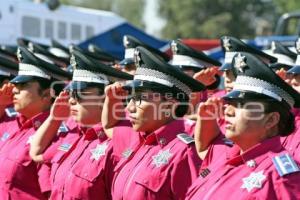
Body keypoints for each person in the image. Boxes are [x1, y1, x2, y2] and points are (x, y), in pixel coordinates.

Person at [186, 52, 300, 199]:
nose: (228, 111)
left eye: (240, 105)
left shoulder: (282, 177)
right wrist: (206, 117)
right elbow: (204, 146)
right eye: (229, 103)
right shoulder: (227, 155)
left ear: (271, 120)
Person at [102, 46, 205, 199]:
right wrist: (111, 101)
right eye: (131, 98)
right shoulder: (137, 139)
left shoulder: (185, 153)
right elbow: (109, 126)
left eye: (139, 99)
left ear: (168, 105)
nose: (129, 107)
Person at [29, 49, 133, 200]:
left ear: (104, 98)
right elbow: (36, 153)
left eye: (78, 94)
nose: (71, 100)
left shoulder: (118, 142)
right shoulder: (78, 135)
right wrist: (54, 117)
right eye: (71, 94)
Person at [0, 46, 71, 199]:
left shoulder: (53, 135)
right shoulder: (13, 123)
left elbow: (51, 193)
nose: (14, 90)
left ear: (46, 94)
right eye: (16, 85)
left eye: (23, 86)